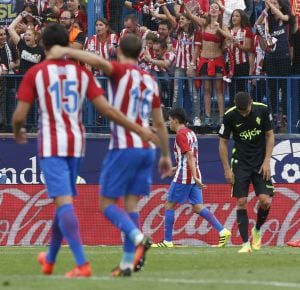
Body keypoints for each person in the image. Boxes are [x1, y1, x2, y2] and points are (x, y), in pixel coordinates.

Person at [12, 24, 160, 278]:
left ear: (44, 46)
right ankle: (50, 259)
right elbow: (107, 110)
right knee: (63, 200)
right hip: (77, 144)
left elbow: (18, 116)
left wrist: (17, 132)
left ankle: (82, 263)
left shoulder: (36, 73)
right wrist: (138, 127)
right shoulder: (82, 75)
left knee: (64, 201)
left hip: (51, 143)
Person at [48, 34, 172, 277]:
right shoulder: (150, 80)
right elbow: (159, 122)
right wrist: (166, 155)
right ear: (140, 54)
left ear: (120, 52)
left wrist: (66, 50)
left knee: (106, 204)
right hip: (147, 149)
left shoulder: (120, 70)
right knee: (131, 205)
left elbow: (96, 61)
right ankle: (127, 264)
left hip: (124, 147)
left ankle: (137, 238)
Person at [152, 108, 231, 248]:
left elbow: (189, 156)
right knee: (197, 207)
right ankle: (223, 231)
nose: (168, 123)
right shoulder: (191, 133)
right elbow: (188, 157)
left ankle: (167, 241)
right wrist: (177, 169)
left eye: (169, 120)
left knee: (169, 204)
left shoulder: (180, 135)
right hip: (192, 174)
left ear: (176, 120)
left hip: (185, 176)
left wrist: (191, 174)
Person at [218, 91, 275, 253]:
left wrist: (267, 161)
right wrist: (227, 169)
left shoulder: (262, 110)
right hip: (240, 163)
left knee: (265, 201)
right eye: (241, 111)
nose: (244, 113)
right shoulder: (229, 116)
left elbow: (270, 136)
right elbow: (222, 143)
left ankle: (257, 230)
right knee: (241, 201)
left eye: (247, 110)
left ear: (251, 102)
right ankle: (245, 244)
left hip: (260, 162)